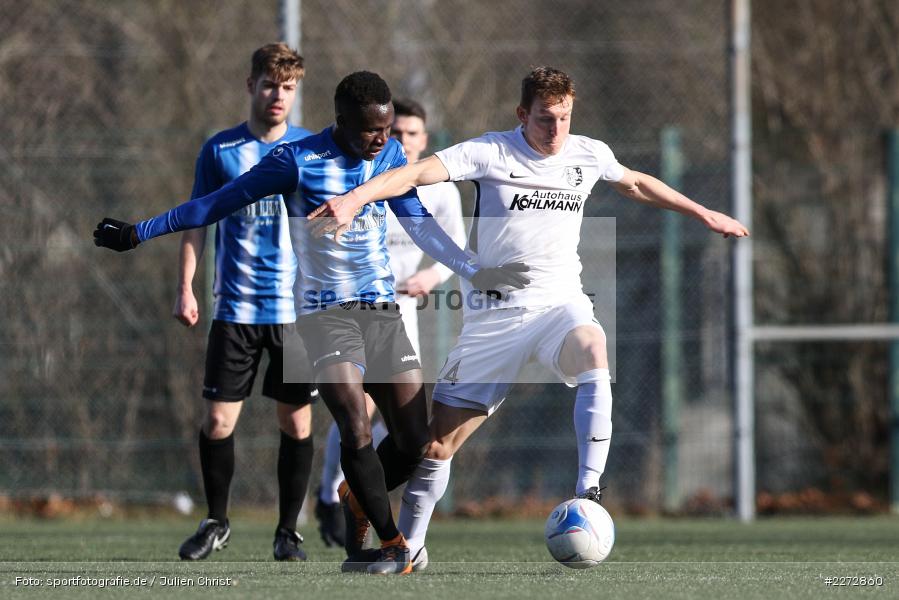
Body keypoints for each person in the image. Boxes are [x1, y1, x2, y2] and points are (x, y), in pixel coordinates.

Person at [306, 66, 750, 563]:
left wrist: (705, 213)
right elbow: (410, 174)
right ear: (522, 114)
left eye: (564, 117)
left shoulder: (588, 152)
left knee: (593, 347)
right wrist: (353, 198)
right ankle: (410, 546)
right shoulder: (490, 152)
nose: (556, 129)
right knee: (434, 447)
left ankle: (587, 491)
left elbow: (638, 184)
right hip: (494, 318)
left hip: (559, 304)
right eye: (544, 119)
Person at [93, 71, 529, 575]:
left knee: (414, 441)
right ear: (341, 121)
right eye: (371, 130)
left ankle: (356, 498)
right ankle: (389, 543)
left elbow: (420, 227)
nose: (382, 139)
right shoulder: (296, 161)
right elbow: (214, 203)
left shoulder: (387, 159)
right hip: (324, 315)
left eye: (388, 129)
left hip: (381, 312)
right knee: (356, 425)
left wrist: (476, 271)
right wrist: (137, 232)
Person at [167, 43, 315, 562]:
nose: (278, 96)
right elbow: (195, 219)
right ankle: (216, 521)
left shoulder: (311, 150)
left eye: (289, 87)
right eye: (270, 84)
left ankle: (288, 532)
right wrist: (185, 287)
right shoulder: (220, 150)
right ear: (251, 85)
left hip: (295, 315)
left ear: (296, 93)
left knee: (296, 423)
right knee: (217, 423)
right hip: (234, 310)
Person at [314, 98, 465, 557]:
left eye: (412, 133)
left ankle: (355, 496)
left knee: (410, 431)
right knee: (355, 415)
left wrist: (433, 276)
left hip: (402, 318)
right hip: (348, 313)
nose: (401, 138)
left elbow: (453, 244)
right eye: (395, 130)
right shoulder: (360, 175)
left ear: (425, 140)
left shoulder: (438, 191)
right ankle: (330, 495)